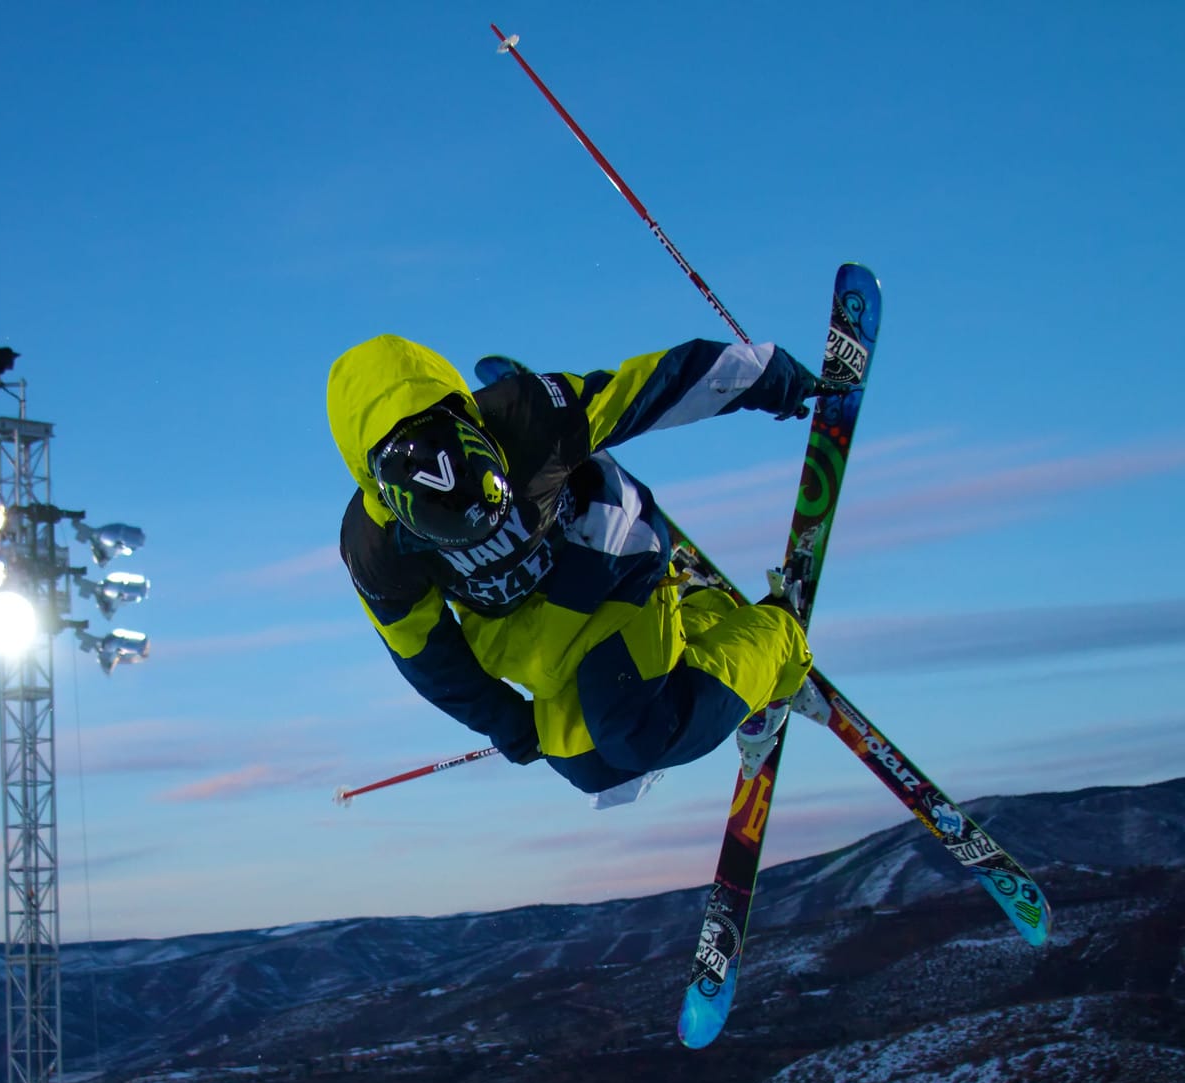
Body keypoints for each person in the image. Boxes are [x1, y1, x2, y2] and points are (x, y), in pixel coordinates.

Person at [329, 334, 820, 801]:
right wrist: (503, 720)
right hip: (535, 638)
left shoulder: (529, 417)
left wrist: (764, 376)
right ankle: (700, 619)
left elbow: (650, 388)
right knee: (593, 769)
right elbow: (426, 657)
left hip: (608, 569)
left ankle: (778, 635)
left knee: (639, 735)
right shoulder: (375, 551)